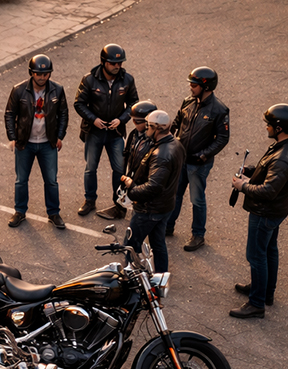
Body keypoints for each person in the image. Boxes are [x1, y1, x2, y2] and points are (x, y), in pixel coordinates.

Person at [228, 104, 288, 319]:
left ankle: (256, 303)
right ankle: (265, 292)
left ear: (279, 128)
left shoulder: (282, 157)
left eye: (269, 125)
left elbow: (269, 190)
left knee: (256, 255)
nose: (266, 128)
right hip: (277, 211)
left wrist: (243, 186)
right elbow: (274, 176)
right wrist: (252, 172)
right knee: (270, 249)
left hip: (265, 212)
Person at [166, 66, 230, 252]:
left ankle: (198, 235)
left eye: (194, 84)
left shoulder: (219, 110)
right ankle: (168, 227)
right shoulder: (188, 101)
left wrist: (203, 155)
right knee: (175, 194)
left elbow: (223, 139)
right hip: (181, 158)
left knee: (197, 199)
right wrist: (169, 139)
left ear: (206, 86)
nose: (190, 87)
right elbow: (178, 121)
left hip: (198, 164)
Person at [4, 54, 69, 229]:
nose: (42, 77)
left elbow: (63, 113)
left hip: (48, 143)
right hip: (25, 143)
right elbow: (10, 114)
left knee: (51, 180)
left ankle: (54, 213)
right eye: (38, 74)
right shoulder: (18, 90)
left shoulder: (57, 90)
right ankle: (20, 212)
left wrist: (60, 136)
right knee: (21, 180)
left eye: (45, 74)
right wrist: (12, 137)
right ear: (31, 73)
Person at [75, 44, 139, 217]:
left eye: (120, 63)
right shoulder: (89, 79)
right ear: (103, 62)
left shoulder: (128, 80)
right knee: (90, 168)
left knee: (119, 169)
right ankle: (89, 200)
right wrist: (93, 119)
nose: (117, 66)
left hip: (115, 133)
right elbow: (79, 103)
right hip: (94, 131)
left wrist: (122, 120)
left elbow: (134, 102)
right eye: (113, 63)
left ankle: (118, 204)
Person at [120, 110, 184, 273]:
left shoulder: (161, 154)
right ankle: (161, 277)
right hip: (165, 206)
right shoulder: (176, 145)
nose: (145, 129)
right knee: (158, 243)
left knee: (130, 246)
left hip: (149, 209)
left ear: (156, 128)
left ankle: (130, 279)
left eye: (148, 126)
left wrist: (132, 188)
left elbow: (153, 186)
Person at [98, 100, 159, 220]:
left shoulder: (154, 141)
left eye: (136, 121)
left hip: (144, 180)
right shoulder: (135, 134)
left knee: (140, 211)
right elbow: (127, 153)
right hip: (134, 174)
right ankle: (119, 209)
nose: (133, 123)